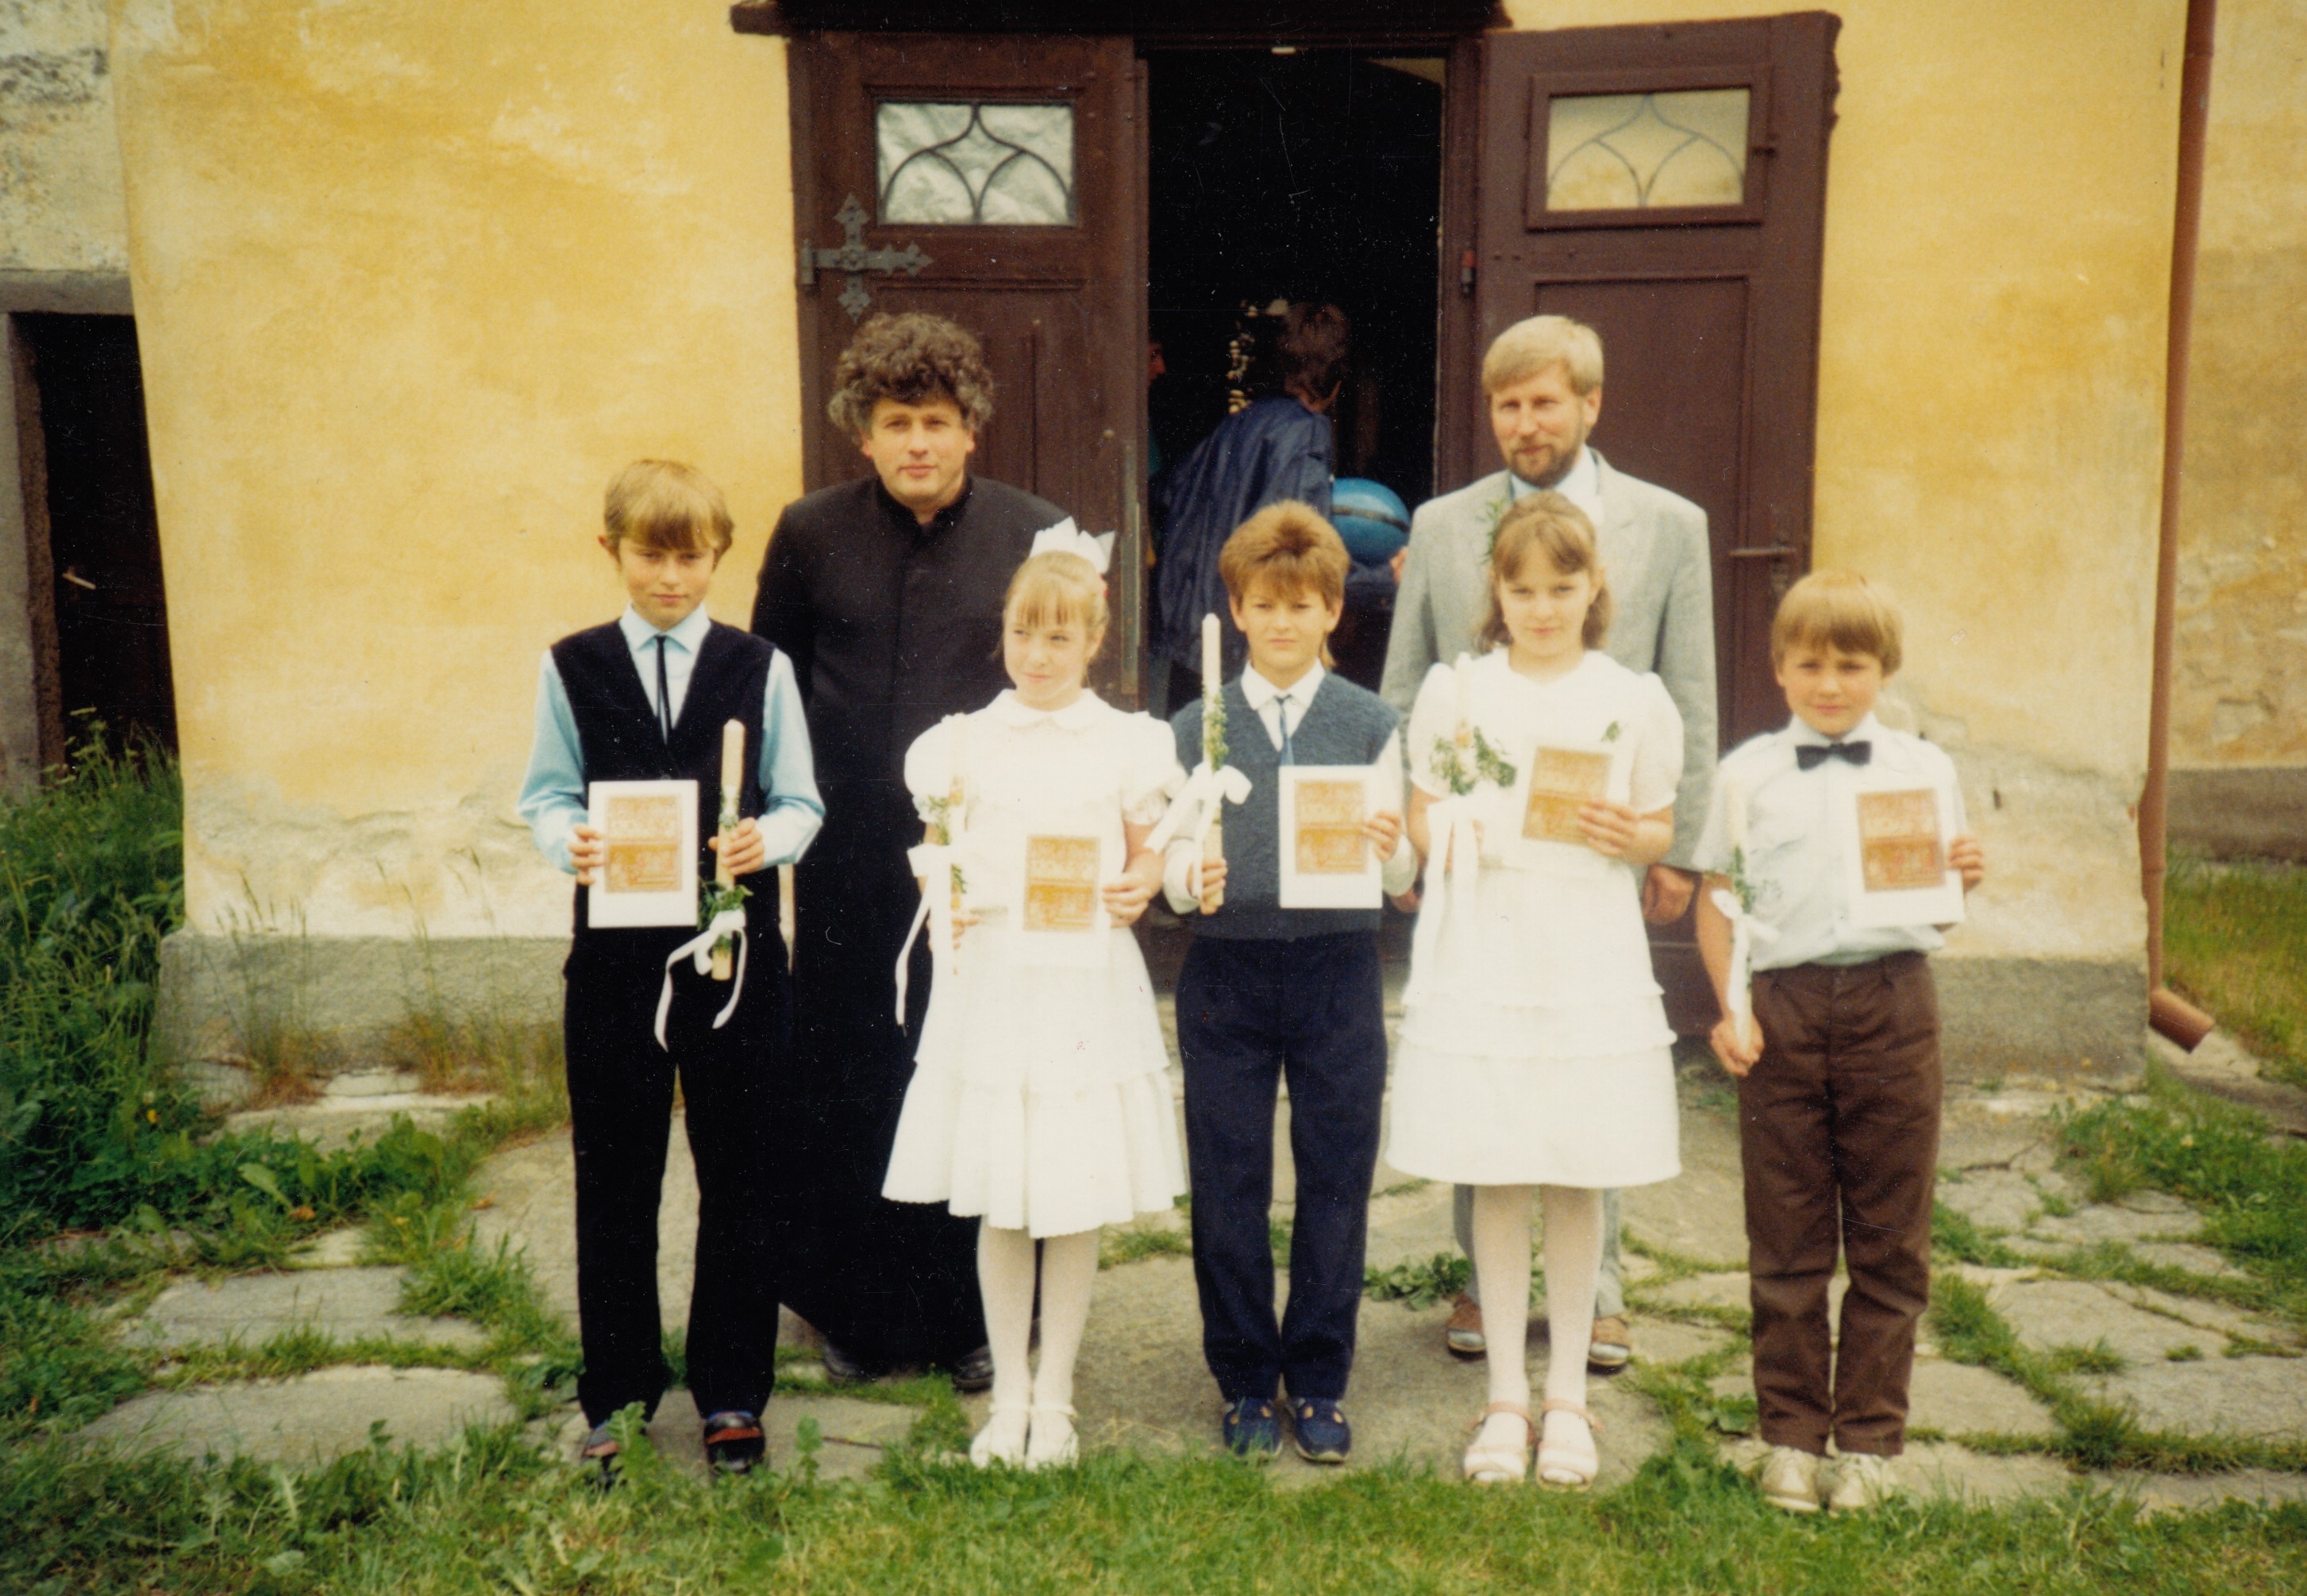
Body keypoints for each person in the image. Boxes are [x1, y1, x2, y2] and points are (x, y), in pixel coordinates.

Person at [1382, 313, 1718, 1372]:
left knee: (1585, 1054)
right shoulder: (1443, 526)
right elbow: (1404, 692)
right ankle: (1479, 1281)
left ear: (1589, 403)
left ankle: (1598, 1287)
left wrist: (1675, 848)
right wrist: (1408, 844)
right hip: (1480, 867)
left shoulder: (1668, 525)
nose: (1524, 424)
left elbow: (1689, 694)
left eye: (1544, 402)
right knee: (1485, 1052)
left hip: (1593, 856)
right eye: (1506, 406)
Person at [750, 313, 1069, 1387]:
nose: (918, 442)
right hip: (844, 858)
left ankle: (974, 1312)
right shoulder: (809, 532)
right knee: (851, 1071)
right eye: (896, 423)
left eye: (936, 420)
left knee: (975, 1068)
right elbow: (771, 686)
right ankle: (855, 1311)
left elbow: (1064, 683)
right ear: (864, 433)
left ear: (971, 426)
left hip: (985, 865)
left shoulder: (1036, 533)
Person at [518, 460, 824, 1479]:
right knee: (616, 1176)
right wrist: (569, 841)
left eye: (691, 558)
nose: (670, 577)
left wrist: (768, 840)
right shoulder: (571, 666)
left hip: (733, 963)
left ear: (716, 557)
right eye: (651, 555)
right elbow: (547, 795)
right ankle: (617, 1389)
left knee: (741, 1171)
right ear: (612, 550)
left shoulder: (757, 666)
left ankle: (731, 1388)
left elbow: (800, 800)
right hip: (614, 964)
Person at [1388, 493, 1684, 1487]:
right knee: (1499, 1164)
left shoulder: (1629, 698)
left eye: (1562, 588)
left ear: (1593, 586)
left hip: (1583, 944)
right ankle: (1505, 1394)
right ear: (1496, 593)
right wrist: (1447, 831)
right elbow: (1422, 811)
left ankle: (1566, 1396)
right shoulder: (1459, 691)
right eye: (1523, 591)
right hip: (1488, 940)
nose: (1543, 608)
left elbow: (1656, 822)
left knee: (1574, 1165)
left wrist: (1632, 837)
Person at [880, 533, 1188, 1470]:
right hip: (996, 983)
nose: (1038, 655)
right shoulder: (959, 744)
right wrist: (945, 894)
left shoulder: (1127, 743)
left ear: (1093, 640)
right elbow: (938, 849)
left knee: (1068, 1187)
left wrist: (1140, 880)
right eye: (1023, 633)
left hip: (1082, 987)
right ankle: (1007, 1393)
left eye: (1059, 637)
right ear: (1003, 635)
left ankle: (1054, 1394)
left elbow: (1145, 848)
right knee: (1003, 1195)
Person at [1694, 570, 1985, 1514]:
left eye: (1850, 666)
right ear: (1777, 668)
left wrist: (1960, 875)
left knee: (1888, 1235)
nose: (1828, 684)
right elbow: (1717, 900)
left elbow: (1934, 905)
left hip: (1891, 1005)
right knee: (1784, 1231)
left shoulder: (1922, 770)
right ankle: (1786, 1434)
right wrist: (1730, 1008)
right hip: (1780, 1010)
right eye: (1809, 664)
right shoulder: (1744, 775)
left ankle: (1865, 1443)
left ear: (1882, 670)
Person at [1161, 502, 1419, 1463]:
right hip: (1226, 971)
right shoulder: (1194, 727)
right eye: (1263, 605)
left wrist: (1391, 851)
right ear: (1235, 610)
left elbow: (1399, 877)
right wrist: (1189, 880)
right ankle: (1241, 1379)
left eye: (1301, 605)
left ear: (1331, 612)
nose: (1281, 622)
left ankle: (1316, 1376)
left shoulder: (1369, 724)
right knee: (1227, 1175)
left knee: (1335, 1174)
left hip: (1335, 969)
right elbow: (1167, 857)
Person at [1152, 303, 1351, 706]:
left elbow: (1165, 493)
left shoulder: (1236, 424)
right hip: (1247, 646)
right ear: (1336, 379)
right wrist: (1379, 578)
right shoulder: (1308, 434)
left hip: (1191, 637)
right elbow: (1298, 547)